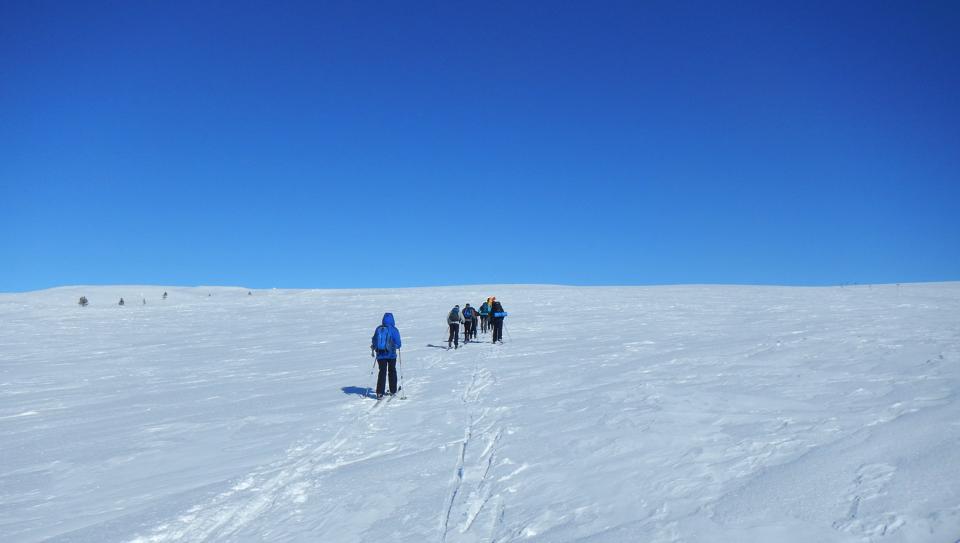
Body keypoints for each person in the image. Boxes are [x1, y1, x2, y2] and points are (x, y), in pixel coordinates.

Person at [370, 312, 402, 399]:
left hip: (380, 355)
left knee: (382, 372)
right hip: (391, 355)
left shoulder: (378, 329)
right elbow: (399, 344)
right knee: (392, 371)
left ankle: (380, 392)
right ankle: (393, 390)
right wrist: (396, 346)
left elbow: (374, 340)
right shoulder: (394, 330)